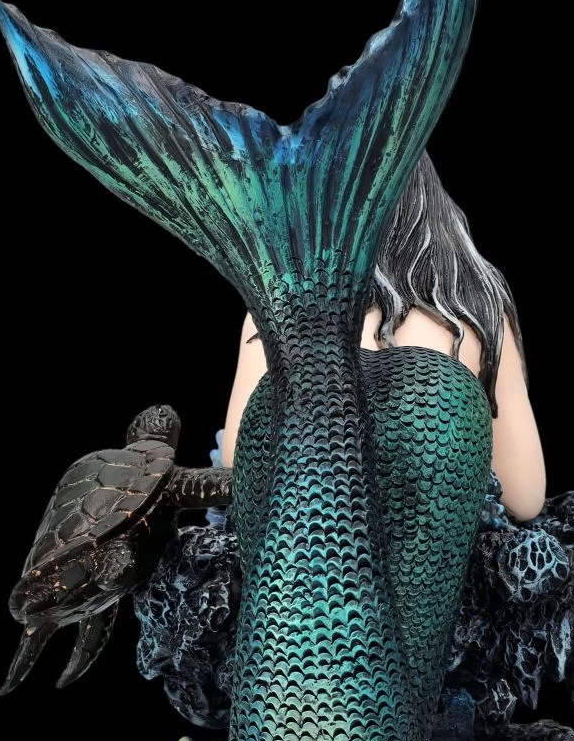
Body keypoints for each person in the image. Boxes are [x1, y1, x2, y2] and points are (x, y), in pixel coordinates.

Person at [220, 151, 547, 523]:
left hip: (309, 542)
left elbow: (236, 466)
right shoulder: (479, 311)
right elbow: (525, 496)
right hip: (438, 547)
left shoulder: (281, 303)